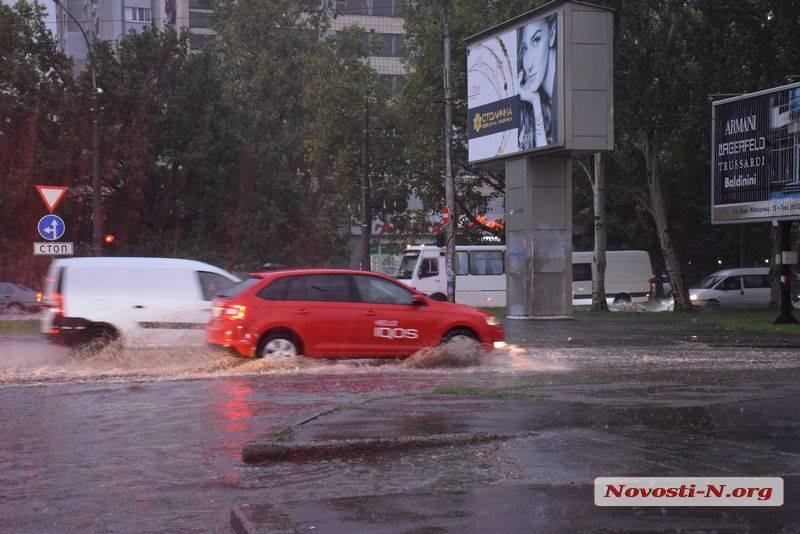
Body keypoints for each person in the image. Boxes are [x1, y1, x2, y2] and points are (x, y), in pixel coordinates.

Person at [517, 15, 557, 150]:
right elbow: (545, 154)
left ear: (552, 33)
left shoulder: (570, 90)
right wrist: (535, 101)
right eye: (524, 49)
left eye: (536, 41)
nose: (528, 64)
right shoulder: (537, 102)